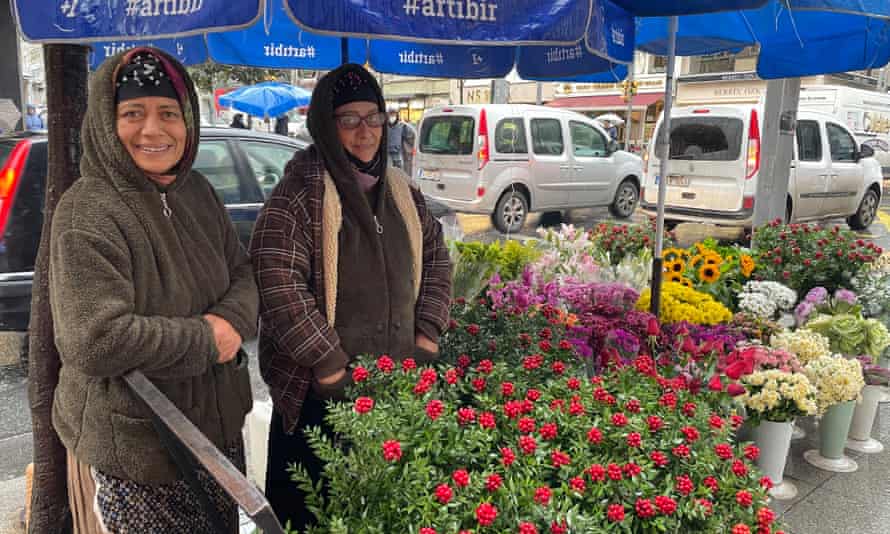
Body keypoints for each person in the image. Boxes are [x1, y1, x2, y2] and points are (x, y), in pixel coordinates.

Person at [48, 47, 258, 533]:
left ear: (188, 121)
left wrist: (229, 324)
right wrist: (208, 340)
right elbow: (94, 340)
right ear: (106, 120)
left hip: (215, 432)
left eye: (168, 113)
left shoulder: (197, 192)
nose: (152, 130)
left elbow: (243, 275)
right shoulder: (88, 210)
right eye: (132, 113)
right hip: (140, 453)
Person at [250, 63, 452, 531]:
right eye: (350, 120)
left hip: (392, 387)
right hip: (322, 399)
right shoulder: (298, 195)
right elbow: (278, 283)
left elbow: (439, 259)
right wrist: (329, 366)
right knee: (314, 510)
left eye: (374, 118)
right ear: (326, 124)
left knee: (374, 511)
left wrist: (428, 334)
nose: (366, 133)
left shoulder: (401, 191)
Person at [386, 105, 416, 173]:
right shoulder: (383, 127)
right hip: (387, 154)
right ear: (387, 115)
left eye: (394, 113)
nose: (392, 116)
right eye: (390, 113)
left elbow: (411, 137)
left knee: (399, 173)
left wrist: (412, 148)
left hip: (398, 154)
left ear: (397, 115)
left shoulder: (402, 126)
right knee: (389, 173)